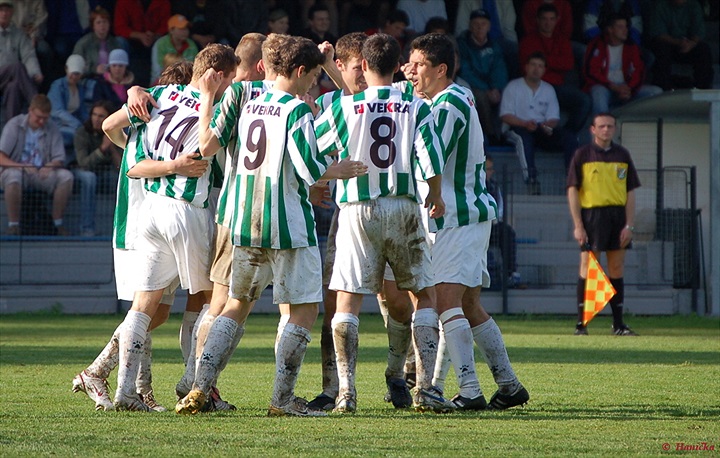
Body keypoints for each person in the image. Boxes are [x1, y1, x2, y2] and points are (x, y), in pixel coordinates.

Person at [175, 34, 365, 417]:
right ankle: (281, 400)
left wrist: (209, 100)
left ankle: (199, 385)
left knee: (234, 304)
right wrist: (338, 171)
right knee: (304, 309)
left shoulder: (245, 100)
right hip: (288, 225)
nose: (314, 83)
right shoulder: (296, 111)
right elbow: (309, 169)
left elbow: (208, 144)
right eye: (312, 75)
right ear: (298, 71)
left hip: (243, 221)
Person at [314, 33, 453, 414]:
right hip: (404, 206)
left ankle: (346, 393)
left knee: (348, 298)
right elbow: (430, 157)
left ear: (365, 66)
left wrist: (326, 176)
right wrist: (436, 194)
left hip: (357, 209)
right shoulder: (414, 104)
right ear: (397, 67)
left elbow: (311, 149)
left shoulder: (344, 107)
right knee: (423, 293)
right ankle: (425, 390)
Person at [101, 43, 238, 411]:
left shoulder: (160, 94)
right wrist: (210, 99)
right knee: (212, 299)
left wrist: (134, 90)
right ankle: (196, 385)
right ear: (219, 76)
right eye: (230, 79)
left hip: (151, 209)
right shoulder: (221, 105)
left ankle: (125, 392)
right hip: (186, 210)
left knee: (144, 306)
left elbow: (119, 141)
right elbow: (209, 145)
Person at [406, 32, 529, 410]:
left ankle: (470, 391)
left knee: (444, 301)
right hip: (468, 214)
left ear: (441, 69)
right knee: (468, 304)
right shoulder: (454, 97)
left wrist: (432, 192)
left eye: (419, 64)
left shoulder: (449, 102)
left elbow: (429, 150)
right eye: (408, 63)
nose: (410, 71)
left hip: (457, 216)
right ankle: (508, 385)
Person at [71, 61, 201, 413]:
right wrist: (133, 95)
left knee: (153, 314)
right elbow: (111, 125)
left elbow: (113, 128)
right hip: (136, 227)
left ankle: (136, 388)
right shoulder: (150, 132)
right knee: (144, 310)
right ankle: (101, 373)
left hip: (153, 227)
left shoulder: (147, 133)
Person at [567, 112, 639, 336]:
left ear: (614, 129)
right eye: (602, 126)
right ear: (593, 129)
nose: (606, 130)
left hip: (617, 217)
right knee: (588, 268)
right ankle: (582, 325)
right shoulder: (582, 155)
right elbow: (573, 190)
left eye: (610, 126)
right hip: (592, 216)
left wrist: (629, 225)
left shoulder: (622, 154)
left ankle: (618, 325)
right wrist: (578, 224)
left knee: (616, 268)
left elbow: (630, 192)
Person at [500, 52, 578, 194]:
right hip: (516, 127)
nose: (536, 69)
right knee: (523, 139)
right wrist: (525, 124)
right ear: (526, 67)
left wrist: (547, 126)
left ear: (544, 70)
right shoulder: (513, 86)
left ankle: (572, 181)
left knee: (570, 138)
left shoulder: (548, 89)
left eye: (540, 66)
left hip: (540, 128)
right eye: (533, 65)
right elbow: (505, 115)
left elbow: (554, 117)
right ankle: (531, 181)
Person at [0, 94, 73, 236]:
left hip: (41, 173)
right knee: (13, 176)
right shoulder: (14, 125)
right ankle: (13, 225)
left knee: (66, 177)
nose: (41, 121)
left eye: (45, 118)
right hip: (17, 171)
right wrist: (19, 166)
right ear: (30, 111)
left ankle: (57, 223)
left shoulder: (52, 127)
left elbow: (59, 158)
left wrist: (50, 165)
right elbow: (1, 157)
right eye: (38, 117)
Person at [519, 3, 591, 135]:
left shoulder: (562, 40)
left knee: (584, 100)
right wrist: (554, 61)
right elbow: (529, 69)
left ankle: (566, 135)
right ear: (538, 20)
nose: (548, 23)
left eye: (552, 19)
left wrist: (543, 61)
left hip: (557, 87)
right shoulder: (528, 41)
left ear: (557, 20)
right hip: (535, 87)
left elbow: (568, 64)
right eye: (544, 19)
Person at [582, 13, 661, 116]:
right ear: (610, 29)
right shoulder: (596, 44)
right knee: (598, 91)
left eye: (626, 26)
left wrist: (629, 90)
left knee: (657, 92)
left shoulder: (632, 46)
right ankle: (603, 127)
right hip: (606, 88)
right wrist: (613, 86)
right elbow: (591, 72)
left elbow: (639, 72)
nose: (625, 30)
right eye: (620, 27)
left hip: (626, 88)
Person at [456, 9, 509, 145]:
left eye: (483, 24)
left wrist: (496, 88)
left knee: (507, 94)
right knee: (480, 97)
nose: (480, 27)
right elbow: (466, 71)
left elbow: (499, 69)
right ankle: (490, 134)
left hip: (492, 86)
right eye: (476, 24)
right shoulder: (462, 44)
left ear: (489, 26)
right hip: (473, 86)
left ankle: (503, 133)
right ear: (470, 26)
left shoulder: (495, 45)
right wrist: (487, 90)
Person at [72, 100, 122, 237]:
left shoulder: (115, 133)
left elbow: (121, 167)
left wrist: (111, 147)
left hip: (105, 173)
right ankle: (87, 228)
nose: (97, 119)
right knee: (89, 179)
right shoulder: (82, 132)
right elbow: (83, 163)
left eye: (101, 116)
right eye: (94, 115)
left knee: (121, 180)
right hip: (82, 172)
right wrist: (102, 149)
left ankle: (121, 227)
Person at [648, 0, 714, 90]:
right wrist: (678, 42)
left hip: (689, 45)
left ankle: (702, 89)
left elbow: (699, 31)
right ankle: (663, 88)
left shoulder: (694, 5)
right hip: (668, 44)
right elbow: (658, 33)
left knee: (704, 50)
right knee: (660, 48)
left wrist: (691, 44)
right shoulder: (661, 6)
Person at [0, 0, 41, 127]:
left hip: (9, 80)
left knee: (14, 87)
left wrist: (35, 73)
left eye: (7, 10)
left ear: (12, 12)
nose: (4, 13)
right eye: (1, 10)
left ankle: (11, 130)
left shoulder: (18, 34)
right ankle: (37, 104)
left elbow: (28, 55)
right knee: (17, 67)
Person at [113, 0, 171, 86]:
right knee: (119, 41)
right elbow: (119, 27)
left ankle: (160, 81)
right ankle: (121, 79)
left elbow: (166, 25)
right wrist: (139, 35)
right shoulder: (124, 2)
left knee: (164, 41)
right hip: (131, 41)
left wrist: (154, 36)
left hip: (154, 40)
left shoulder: (162, 2)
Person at [485, 154, 521, 287]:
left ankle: (511, 273)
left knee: (508, 232)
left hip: (492, 225)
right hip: (475, 227)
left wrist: (493, 218)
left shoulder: (494, 186)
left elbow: (500, 208)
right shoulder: (471, 186)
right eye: (486, 169)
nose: (489, 172)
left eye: (490, 169)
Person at [47, 55, 94, 149]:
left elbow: (82, 111)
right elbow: (57, 111)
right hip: (56, 125)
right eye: (72, 73)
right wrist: (78, 125)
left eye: (77, 74)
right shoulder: (58, 85)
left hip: (71, 125)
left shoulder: (80, 88)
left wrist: (90, 125)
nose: (74, 76)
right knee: (79, 136)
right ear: (66, 69)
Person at [72, 6, 128, 78]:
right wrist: (94, 69)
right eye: (98, 22)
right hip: (90, 79)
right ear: (93, 26)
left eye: (104, 22)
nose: (102, 25)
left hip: (112, 79)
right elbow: (76, 66)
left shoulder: (115, 43)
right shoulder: (83, 43)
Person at [150, 14, 199, 84]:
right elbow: (157, 70)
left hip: (187, 83)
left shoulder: (192, 45)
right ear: (171, 30)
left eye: (186, 28)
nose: (185, 31)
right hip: (161, 82)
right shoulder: (160, 44)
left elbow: (195, 69)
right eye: (181, 29)